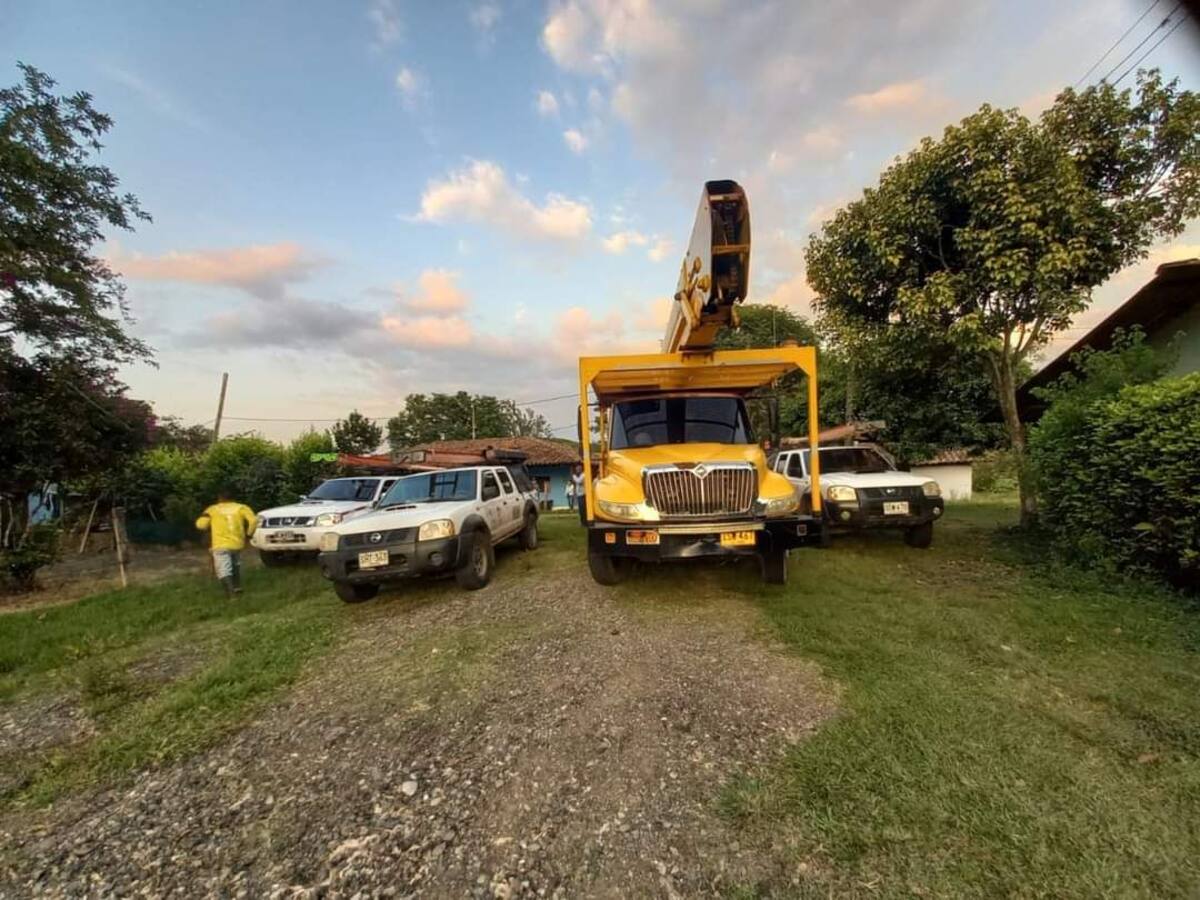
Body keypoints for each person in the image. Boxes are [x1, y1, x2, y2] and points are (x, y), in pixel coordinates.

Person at [195, 488, 257, 598]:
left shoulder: (213, 509)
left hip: (220, 544)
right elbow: (253, 521)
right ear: (233, 498)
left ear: (219, 498)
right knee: (236, 565)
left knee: (224, 569)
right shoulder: (242, 508)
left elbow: (201, 525)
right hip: (237, 543)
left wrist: (205, 517)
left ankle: (231, 595)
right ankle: (238, 588)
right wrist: (248, 535)